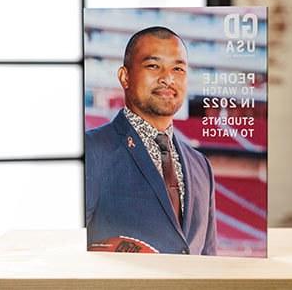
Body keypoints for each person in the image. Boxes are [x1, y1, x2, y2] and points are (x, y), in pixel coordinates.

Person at [85, 26, 217, 255]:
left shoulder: (201, 166)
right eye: (153, 66)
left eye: (178, 69)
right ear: (125, 77)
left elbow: (209, 259)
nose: (168, 78)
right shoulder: (92, 151)